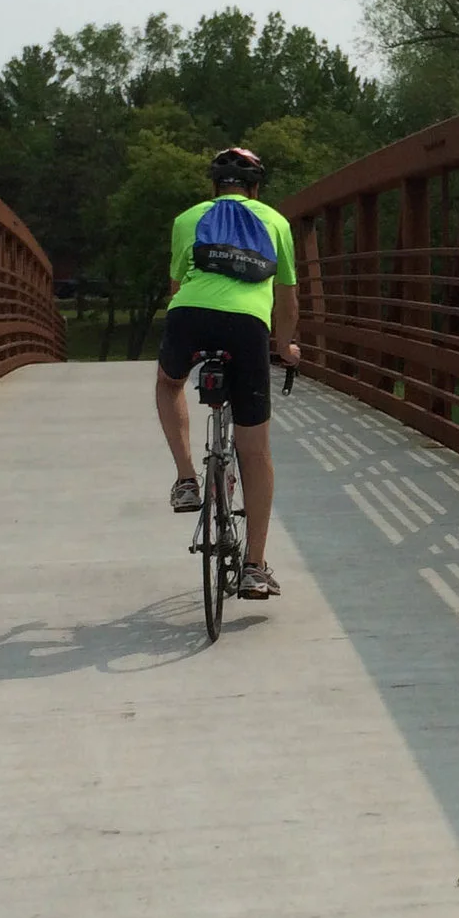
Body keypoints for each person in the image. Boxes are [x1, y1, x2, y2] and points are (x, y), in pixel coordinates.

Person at [157, 146, 300, 598]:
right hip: (247, 327)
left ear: (214, 186)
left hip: (190, 316)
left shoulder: (187, 219)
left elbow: (177, 286)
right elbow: (287, 300)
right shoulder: (276, 222)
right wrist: (285, 346)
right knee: (255, 452)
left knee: (168, 384)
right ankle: (254, 566)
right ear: (256, 189)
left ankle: (186, 479)